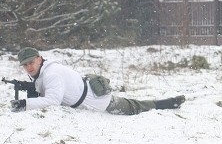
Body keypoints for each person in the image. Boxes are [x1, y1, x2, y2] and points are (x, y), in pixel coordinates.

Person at [10, 47, 185, 114]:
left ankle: (166, 104)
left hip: (99, 101)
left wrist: (24, 104)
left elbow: (53, 101)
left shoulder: (52, 73)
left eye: (31, 62)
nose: (29, 67)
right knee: (135, 104)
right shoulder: (45, 70)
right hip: (90, 92)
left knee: (135, 107)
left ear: (40, 58)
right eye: (25, 65)